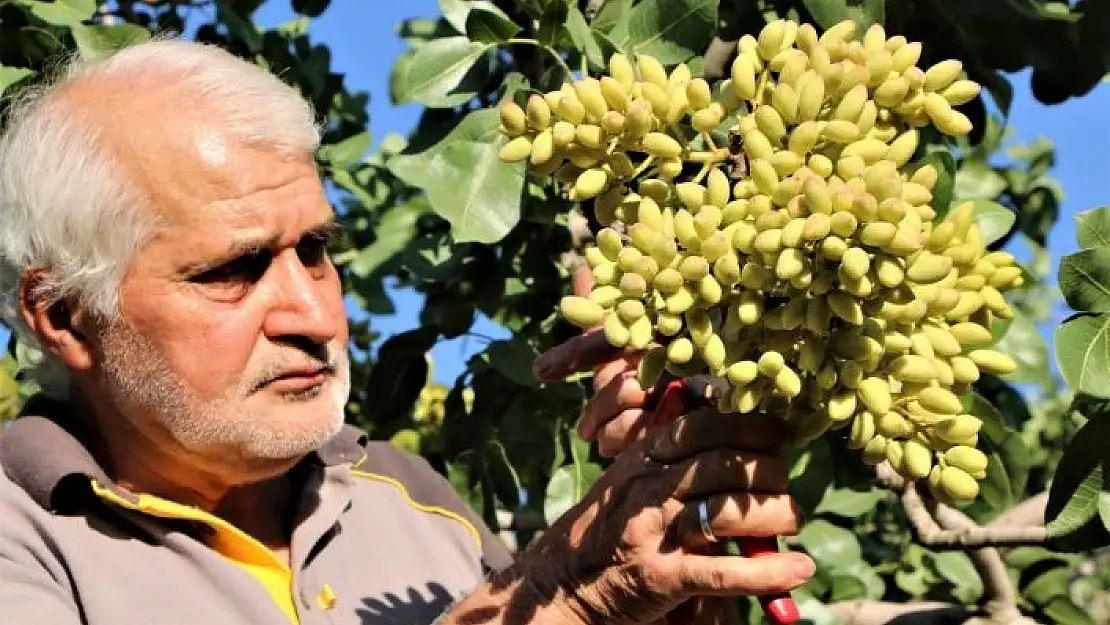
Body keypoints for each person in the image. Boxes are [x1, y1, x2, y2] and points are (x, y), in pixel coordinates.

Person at [0, 38, 814, 625]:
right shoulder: (20, 536)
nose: (317, 315)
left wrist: (669, 577)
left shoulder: (407, 492)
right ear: (66, 316)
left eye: (315, 249)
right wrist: (565, 594)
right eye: (233, 270)